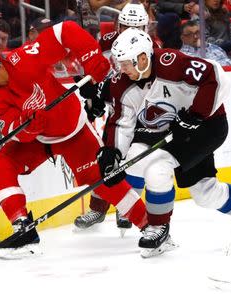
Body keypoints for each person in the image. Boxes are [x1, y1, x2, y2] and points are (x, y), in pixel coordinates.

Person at [0, 21, 148, 259]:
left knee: (104, 179)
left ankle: (151, 226)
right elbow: (15, 131)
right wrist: (28, 126)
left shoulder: (25, 59)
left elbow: (66, 30)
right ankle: (24, 233)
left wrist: (91, 57)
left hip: (72, 129)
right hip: (37, 139)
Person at [90, 27, 231, 258]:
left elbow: (215, 76)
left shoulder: (171, 62)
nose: (121, 68)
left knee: (166, 174)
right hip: (168, 130)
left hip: (206, 128)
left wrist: (197, 114)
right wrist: (112, 154)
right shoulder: (122, 83)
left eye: (126, 62)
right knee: (203, 193)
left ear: (142, 57)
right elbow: (122, 122)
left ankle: (160, 227)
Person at [74, 2, 151, 233]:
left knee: (135, 158)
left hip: (138, 108)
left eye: (137, 27)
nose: (131, 31)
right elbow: (93, 68)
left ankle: (125, 208)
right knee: (106, 155)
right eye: (126, 26)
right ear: (119, 24)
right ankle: (98, 208)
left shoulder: (150, 47)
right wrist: (92, 97)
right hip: (112, 104)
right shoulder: (106, 41)